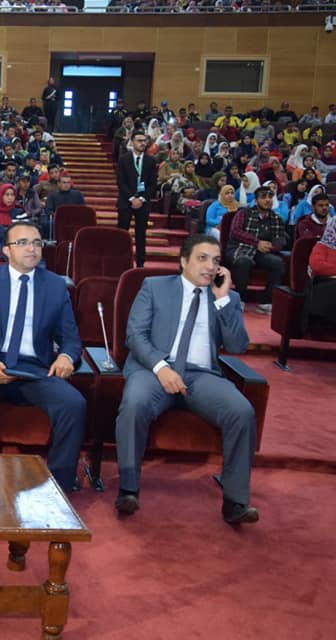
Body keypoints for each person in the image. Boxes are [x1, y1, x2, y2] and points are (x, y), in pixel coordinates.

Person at [114, 234, 258, 525]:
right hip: (153, 369)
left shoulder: (227, 298)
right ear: (183, 261)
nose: (210, 266)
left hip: (201, 375)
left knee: (242, 412)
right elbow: (135, 336)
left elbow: (238, 345)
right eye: (202, 258)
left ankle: (235, 501)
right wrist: (161, 368)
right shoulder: (154, 287)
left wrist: (223, 300)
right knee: (134, 403)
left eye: (216, 261)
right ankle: (128, 489)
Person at [0, 221, 85, 492]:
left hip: (35, 368)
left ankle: (58, 487)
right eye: (22, 243)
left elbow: (70, 338)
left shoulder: (55, 285)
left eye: (37, 243)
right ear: (6, 250)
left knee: (74, 404)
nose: (31, 249)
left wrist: (66, 357)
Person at [226, 186, 288, 314]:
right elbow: (235, 232)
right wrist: (256, 242)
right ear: (256, 200)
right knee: (243, 261)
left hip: (262, 252)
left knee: (277, 263)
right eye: (263, 197)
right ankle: (240, 299)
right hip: (240, 247)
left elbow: (280, 240)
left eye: (270, 197)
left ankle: (266, 302)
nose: (268, 200)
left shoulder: (276, 218)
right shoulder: (244, 213)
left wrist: (271, 247)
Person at [116, 130, 157, 267]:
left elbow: (153, 184)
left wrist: (142, 199)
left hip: (143, 202)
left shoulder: (151, 161)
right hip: (126, 201)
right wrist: (132, 198)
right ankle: (120, 262)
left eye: (144, 141)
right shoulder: (123, 159)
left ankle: (140, 264)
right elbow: (120, 182)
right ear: (132, 142)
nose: (142, 143)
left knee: (141, 234)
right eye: (139, 141)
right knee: (122, 233)